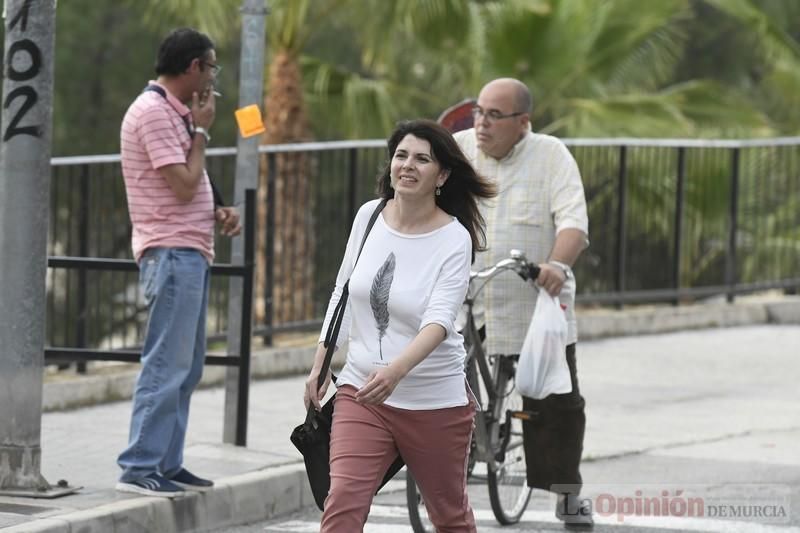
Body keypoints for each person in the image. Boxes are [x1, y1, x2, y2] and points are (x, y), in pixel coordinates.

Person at [305, 119, 495, 532]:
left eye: (422, 159)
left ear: (442, 175)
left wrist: (397, 371)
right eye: (401, 155)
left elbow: (440, 321)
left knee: (448, 516)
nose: (407, 165)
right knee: (343, 502)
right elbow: (342, 290)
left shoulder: (453, 239)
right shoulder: (369, 216)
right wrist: (321, 362)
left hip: (432, 402)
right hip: (362, 392)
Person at [453, 78, 592, 528]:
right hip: (470, 296)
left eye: (495, 115)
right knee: (440, 377)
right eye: (479, 112)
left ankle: (567, 495)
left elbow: (573, 222)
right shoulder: (457, 151)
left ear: (523, 122)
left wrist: (556, 263)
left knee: (555, 402)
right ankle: (453, 458)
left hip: (534, 301)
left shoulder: (551, 155)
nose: (482, 123)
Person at [115, 27, 241, 498]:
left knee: (185, 369)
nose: (213, 77)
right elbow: (183, 185)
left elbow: (188, 187)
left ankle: (167, 461)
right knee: (166, 364)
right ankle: (139, 465)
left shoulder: (173, 113)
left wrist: (217, 210)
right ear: (194, 68)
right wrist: (203, 129)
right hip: (170, 253)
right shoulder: (152, 113)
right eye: (211, 67)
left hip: (188, 249)